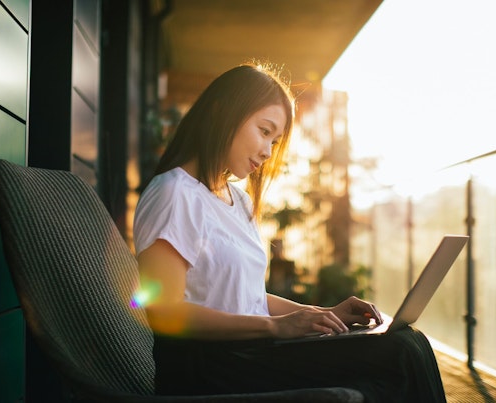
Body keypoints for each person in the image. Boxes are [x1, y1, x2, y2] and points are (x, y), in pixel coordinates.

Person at [133, 62, 446, 402]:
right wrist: (275, 327)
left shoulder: (235, 199)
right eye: (264, 131)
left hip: (252, 353)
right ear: (223, 113)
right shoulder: (174, 193)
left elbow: (245, 298)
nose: (268, 152)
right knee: (397, 353)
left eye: (275, 140)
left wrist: (319, 315)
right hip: (211, 367)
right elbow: (164, 312)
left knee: (408, 341)